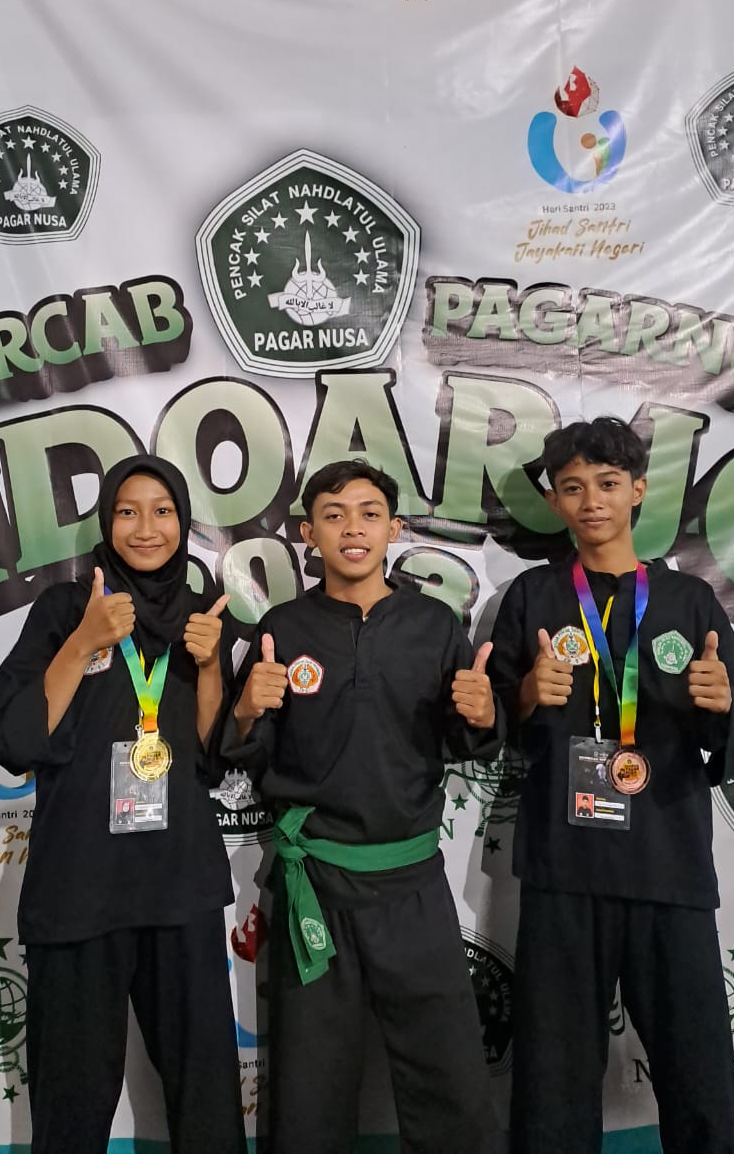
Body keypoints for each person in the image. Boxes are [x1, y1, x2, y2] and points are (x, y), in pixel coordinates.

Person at [488, 417, 734, 1154]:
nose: (592, 501)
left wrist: (722, 705)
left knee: (697, 1070)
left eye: (608, 484)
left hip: (668, 865)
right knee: (552, 1077)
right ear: (555, 501)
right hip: (563, 868)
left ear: (638, 490)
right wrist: (526, 694)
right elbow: (489, 726)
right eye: (573, 487)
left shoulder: (690, 603)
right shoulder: (533, 598)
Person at [226, 459, 504, 1154]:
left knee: (450, 1078)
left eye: (369, 513)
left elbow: (462, 741)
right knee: (309, 1087)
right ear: (308, 535)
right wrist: (245, 710)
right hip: (315, 886)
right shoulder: (282, 628)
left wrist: (482, 715)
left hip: (413, 885)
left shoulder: (434, 624)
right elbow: (246, 753)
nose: (353, 528)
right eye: (334, 515)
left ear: (395, 529)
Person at [0, 455, 245, 1154]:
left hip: (179, 884)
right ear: (106, 521)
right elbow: (14, 742)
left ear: (182, 522)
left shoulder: (201, 618)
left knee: (207, 1095)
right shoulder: (64, 611)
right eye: (128, 511)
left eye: (163, 511)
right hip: (80, 887)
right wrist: (83, 643)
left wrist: (211, 666)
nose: (146, 528)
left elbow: (213, 758)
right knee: (70, 1104)